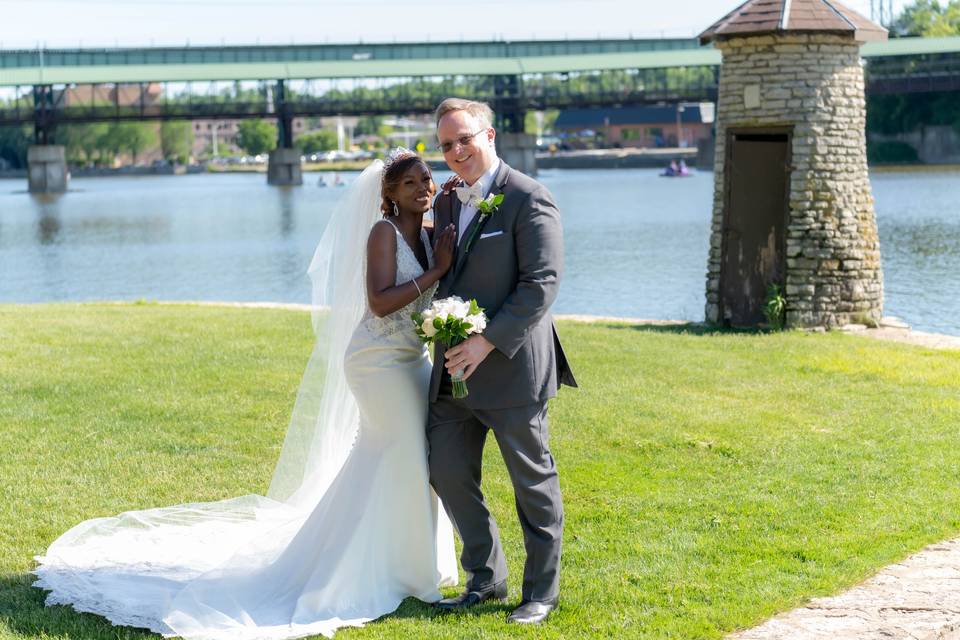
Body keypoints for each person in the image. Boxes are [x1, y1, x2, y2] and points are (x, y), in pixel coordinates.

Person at [33, 150, 460, 639]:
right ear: (389, 193)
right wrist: (436, 270)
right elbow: (380, 301)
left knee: (409, 457)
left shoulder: (430, 235)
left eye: (427, 179)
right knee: (404, 451)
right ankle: (378, 572)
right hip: (377, 361)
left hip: (413, 361)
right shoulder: (382, 233)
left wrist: (446, 242)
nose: (422, 188)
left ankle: (404, 562)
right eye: (410, 183)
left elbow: (442, 267)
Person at [427, 98, 577, 625]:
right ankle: (485, 578)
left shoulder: (530, 197)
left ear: (488, 134)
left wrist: (486, 341)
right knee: (444, 469)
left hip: (513, 369)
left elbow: (542, 285)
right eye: (446, 145)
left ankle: (541, 592)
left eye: (464, 138)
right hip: (453, 376)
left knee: (531, 484)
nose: (456, 151)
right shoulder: (447, 202)